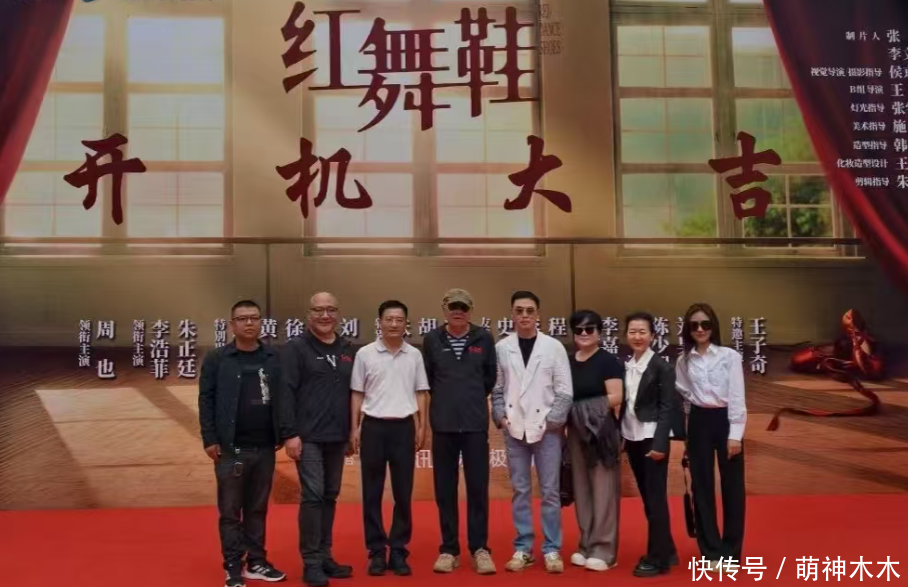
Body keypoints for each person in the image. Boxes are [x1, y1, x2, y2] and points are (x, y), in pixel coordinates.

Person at [199, 299, 288, 587]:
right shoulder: (218, 358)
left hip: (264, 447)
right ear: (231, 324)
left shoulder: (273, 357)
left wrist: (282, 432)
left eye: (254, 318)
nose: (249, 323)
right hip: (230, 449)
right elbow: (206, 399)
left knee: (257, 509)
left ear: (261, 323)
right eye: (242, 318)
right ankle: (233, 566)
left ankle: (257, 562)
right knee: (230, 511)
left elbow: (283, 397)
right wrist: (209, 438)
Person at [491, 291, 573, 574]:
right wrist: (501, 417)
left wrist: (553, 421)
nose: (524, 315)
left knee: (550, 491)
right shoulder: (502, 347)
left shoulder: (553, 347)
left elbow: (565, 391)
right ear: (512, 314)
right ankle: (523, 547)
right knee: (520, 490)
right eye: (519, 310)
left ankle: (551, 548)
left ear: (538, 314)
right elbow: (497, 388)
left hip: (547, 430)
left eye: (529, 310)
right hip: (514, 427)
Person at [278, 292, 357, 587]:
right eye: (318, 310)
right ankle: (311, 562)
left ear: (338, 314)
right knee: (313, 496)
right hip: (308, 436)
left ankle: (325, 555)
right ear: (308, 314)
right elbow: (285, 392)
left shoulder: (347, 349)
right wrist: (290, 433)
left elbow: (353, 393)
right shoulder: (296, 348)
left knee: (330, 495)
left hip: (337, 436)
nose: (325, 315)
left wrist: (351, 431)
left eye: (331, 310)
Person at [350, 300, 430, 577]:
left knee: (403, 493)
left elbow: (421, 392)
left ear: (406, 323)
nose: (394, 324)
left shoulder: (414, 355)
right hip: (373, 427)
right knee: (371, 493)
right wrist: (354, 427)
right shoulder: (365, 354)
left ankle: (397, 548)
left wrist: (422, 426)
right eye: (389, 319)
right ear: (380, 322)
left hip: (404, 428)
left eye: (399, 319)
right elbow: (357, 393)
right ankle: (375, 550)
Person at [422, 288, 498, 575]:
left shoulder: (484, 338)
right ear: (444, 309)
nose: (458, 311)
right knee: (445, 490)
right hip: (443, 426)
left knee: (478, 489)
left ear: (470, 311)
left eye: (463, 307)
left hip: (475, 425)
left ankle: (480, 549)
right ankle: (449, 549)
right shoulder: (432, 340)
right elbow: (429, 380)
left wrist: (469, 399)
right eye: (453, 306)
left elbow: (489, 378)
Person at [675, 303, 747, 573]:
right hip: (698, 421)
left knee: (733, 487)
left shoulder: (729, 356)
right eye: (694, 325)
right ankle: (711, 552)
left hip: (726, 419)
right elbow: (683, 391)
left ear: (713, 326)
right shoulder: (684, 360)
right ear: (688, 329)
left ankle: (731, 553)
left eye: (705, 324)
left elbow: (737, 395)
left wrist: (735, 434)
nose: (700, 329)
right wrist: (691, 418)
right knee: (701, 486)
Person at [620, 311, 684, 578]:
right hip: (632, 437)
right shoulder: (626, 365)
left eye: (642, 332)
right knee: (648, 498)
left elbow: (668, 408)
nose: (637, 336)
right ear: (626, 335)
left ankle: (657, 560)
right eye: (633, 331)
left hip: (652, 439)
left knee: (656, 499)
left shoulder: (662, 367)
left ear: (653, 336)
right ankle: (667, 549)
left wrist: (660, 444)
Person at [565, 310, 624, 572]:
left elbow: (617, 396)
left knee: (603, 488)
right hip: (575, 430)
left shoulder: (608, 361)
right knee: (581, 487)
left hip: (601, 430)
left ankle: (604, 549)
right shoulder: (568, 362)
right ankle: (586, 544)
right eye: (579, 329)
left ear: (599, 332)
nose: (584, 333)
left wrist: (582, 408)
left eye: (590, 329)